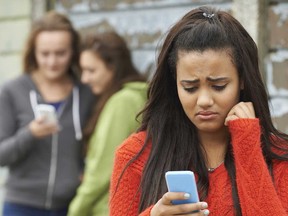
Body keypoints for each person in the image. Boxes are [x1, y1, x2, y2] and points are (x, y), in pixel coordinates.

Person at [109, 6, 288, 216]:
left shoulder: (278, 157)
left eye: (219, 86)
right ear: (174, 84)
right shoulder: (135, 155)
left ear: (242, 81)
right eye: (190, 87)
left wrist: (248, 147)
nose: (204, 100)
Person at [0, 11, 95, 216]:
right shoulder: (12, 91)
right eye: (44, 54)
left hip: (71, 207)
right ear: (33, 52)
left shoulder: (86, 92)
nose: (52, 62)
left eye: (60, 53)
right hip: (21, 206)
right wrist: (30, 133)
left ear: (73, 52)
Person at [68, 31, 147, 216]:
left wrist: (75, 210)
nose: (84, 79)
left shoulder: (122, 102)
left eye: (91, 70)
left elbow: (102, 169)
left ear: (113, 67)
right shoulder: (136, 96)